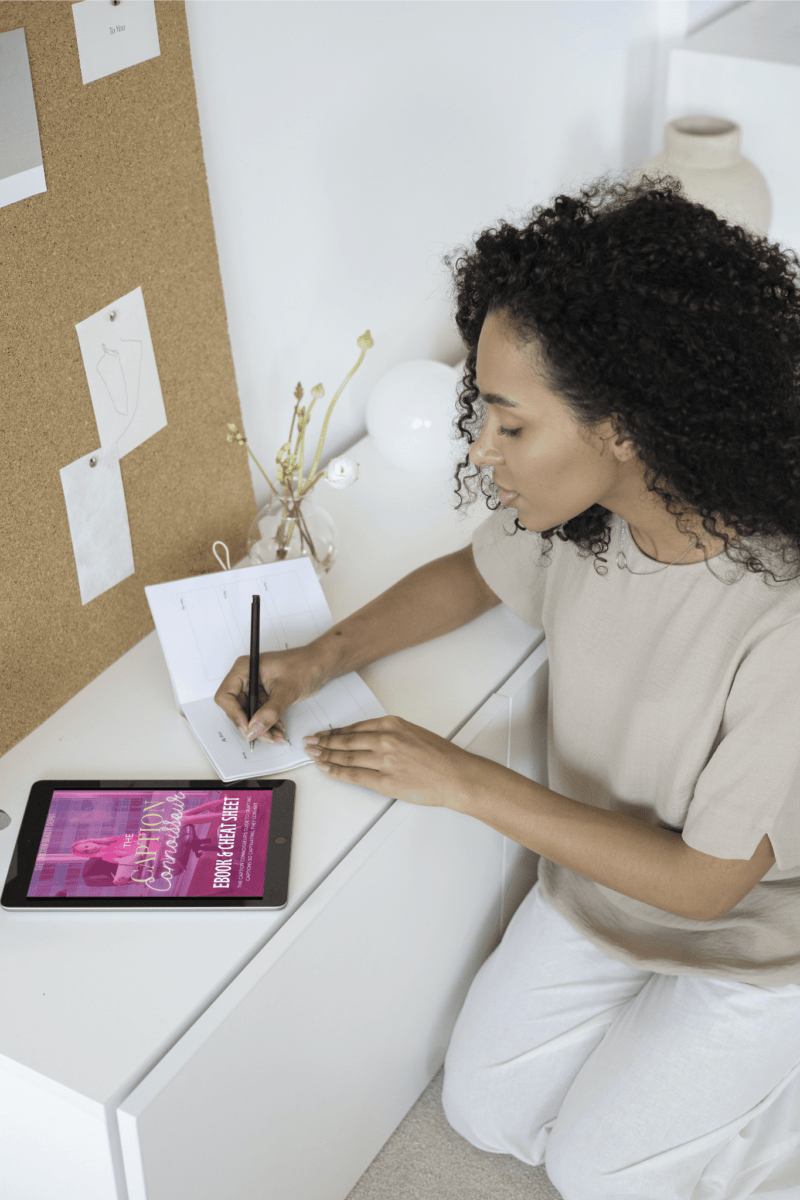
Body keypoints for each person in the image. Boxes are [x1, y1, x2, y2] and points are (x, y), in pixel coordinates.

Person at [214, 174, 800, 1199]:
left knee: (596, 1175)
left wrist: (463, 780)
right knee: (480, 1113)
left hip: (758, 927)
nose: (480, 451)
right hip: (601, 880)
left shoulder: (778, 609)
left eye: (508, 425)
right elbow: (469, 576)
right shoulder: (587, 522)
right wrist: (320, 654)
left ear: (620, 426)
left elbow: (709, 884)